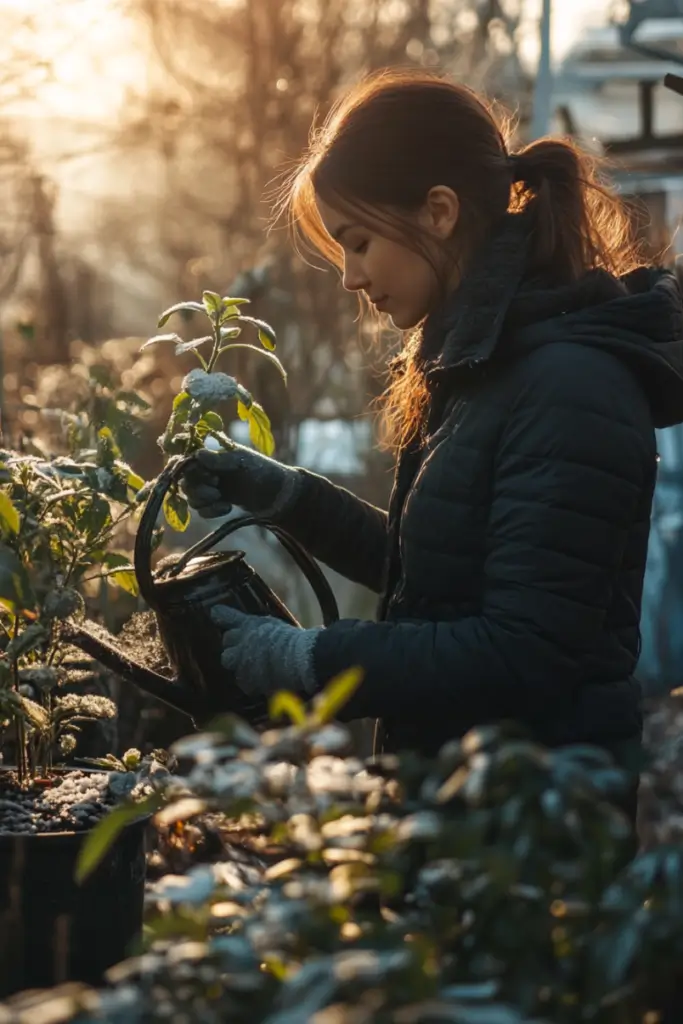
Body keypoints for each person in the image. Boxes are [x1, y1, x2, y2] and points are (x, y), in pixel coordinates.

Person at [182, 70, 683, 815]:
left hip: (527, 843)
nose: (350, 278)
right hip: (458, 812)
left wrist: (309, 660)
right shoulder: (489, 363)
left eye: (359, 242)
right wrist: (287, 495)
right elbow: (438, 582)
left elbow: (519, 652)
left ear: (439, 211)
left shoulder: (567, 384)